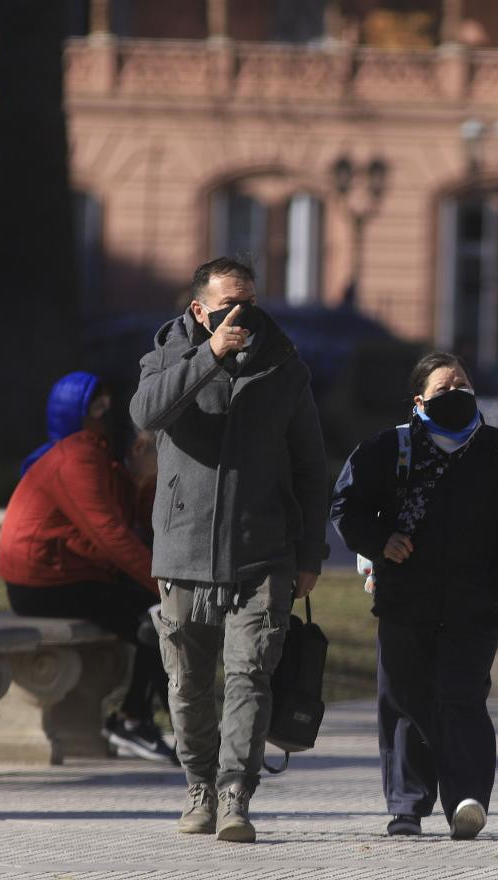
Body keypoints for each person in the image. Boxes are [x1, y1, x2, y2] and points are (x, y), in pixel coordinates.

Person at [130, 257, 329, 843]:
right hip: (183, 551)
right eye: (226, 309)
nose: (241, 317)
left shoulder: (285, 367)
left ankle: (236, 793)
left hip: (263, 550)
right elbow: (146, 413)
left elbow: (311, 468)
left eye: (249, 305)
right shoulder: (166, 356)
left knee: (248, 677)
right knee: (188, 687)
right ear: (199, 310)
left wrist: (311, 553)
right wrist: (209, 355)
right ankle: (199, 787)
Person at [331, 352, 498, 840]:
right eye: (445, 388)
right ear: (419, 400)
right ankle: (407, 806)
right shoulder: (388, 449)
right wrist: (379, 542)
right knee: (404, 701)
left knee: (462, 697)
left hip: (475, 602)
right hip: (405, 600)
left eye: (464, 385)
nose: (457, 394)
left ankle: (467, 799)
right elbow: (346, 505)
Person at [0, 372, 175, 763]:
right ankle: (135, 720)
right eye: (97, 409)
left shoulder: (105, 462)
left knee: (164, 614)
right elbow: (113, 537)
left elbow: (140, 529)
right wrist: (166, 586)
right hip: (44, 583)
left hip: (74, 576)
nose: (105, 416)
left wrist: (145, 483)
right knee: (162, 618)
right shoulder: (78, 458)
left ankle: (137, 718)